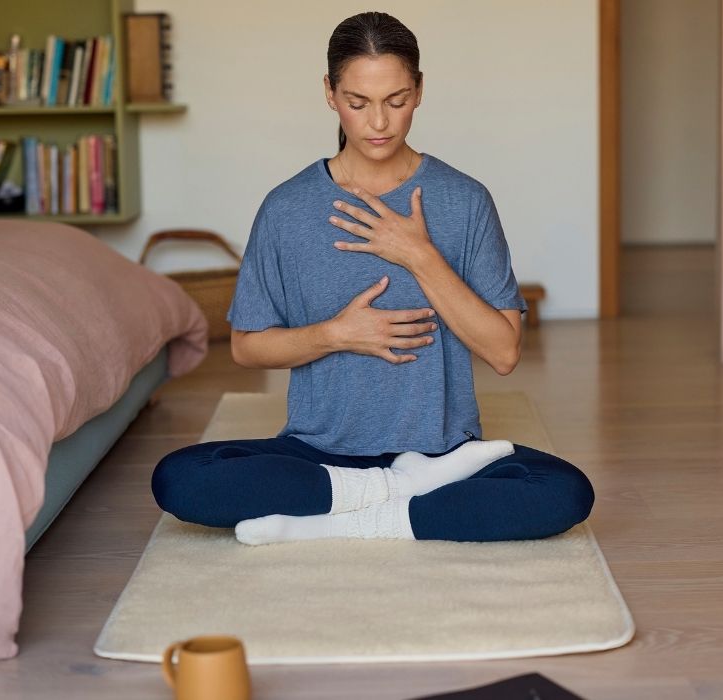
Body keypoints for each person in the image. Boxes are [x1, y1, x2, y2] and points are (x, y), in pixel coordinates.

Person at [151, 11, 594, 545]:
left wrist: (419, 255)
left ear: (420, 90)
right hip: (320, 454)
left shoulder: (464, 201)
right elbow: (247, 348)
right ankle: (391, 497)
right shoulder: (286, 209)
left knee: (563, 491)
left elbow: (503, 353)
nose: (379, 123)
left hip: (442, 454)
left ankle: (339, 517)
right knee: (178, 478)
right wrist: (335, 335)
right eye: (358, 103)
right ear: (330, 94)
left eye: (397, 100)